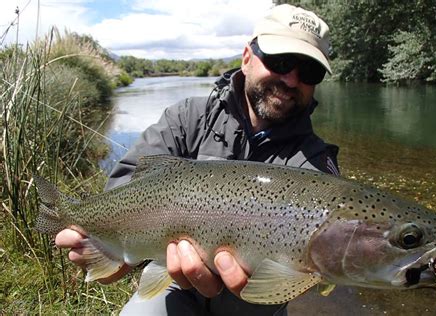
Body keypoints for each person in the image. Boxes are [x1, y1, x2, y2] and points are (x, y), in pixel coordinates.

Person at [55, 4, 339, 316]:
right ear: (247, 58)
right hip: (175, 288)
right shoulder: (188, 118)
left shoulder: (316, 168)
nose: (291, 79)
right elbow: (125, 187)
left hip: (255, 306)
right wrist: (117, 253)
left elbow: (320, 262)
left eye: (309, 71)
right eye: (280, 61)